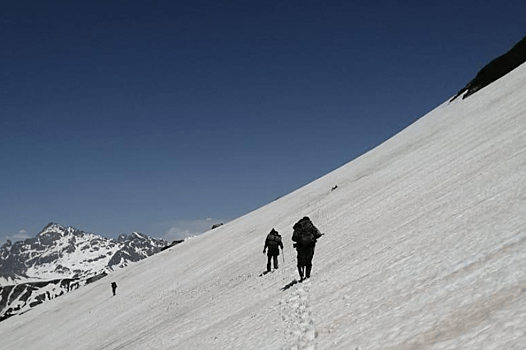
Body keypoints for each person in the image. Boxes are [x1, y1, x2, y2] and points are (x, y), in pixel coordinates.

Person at [292, 217, 323, 281]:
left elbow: (294, 238)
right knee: (309, 262)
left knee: (300, 263)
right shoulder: (311, 225)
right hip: (310, 246)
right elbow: (318, 234)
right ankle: (307, 276)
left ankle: (301, 276)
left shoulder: (299, 226)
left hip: (301, 247)